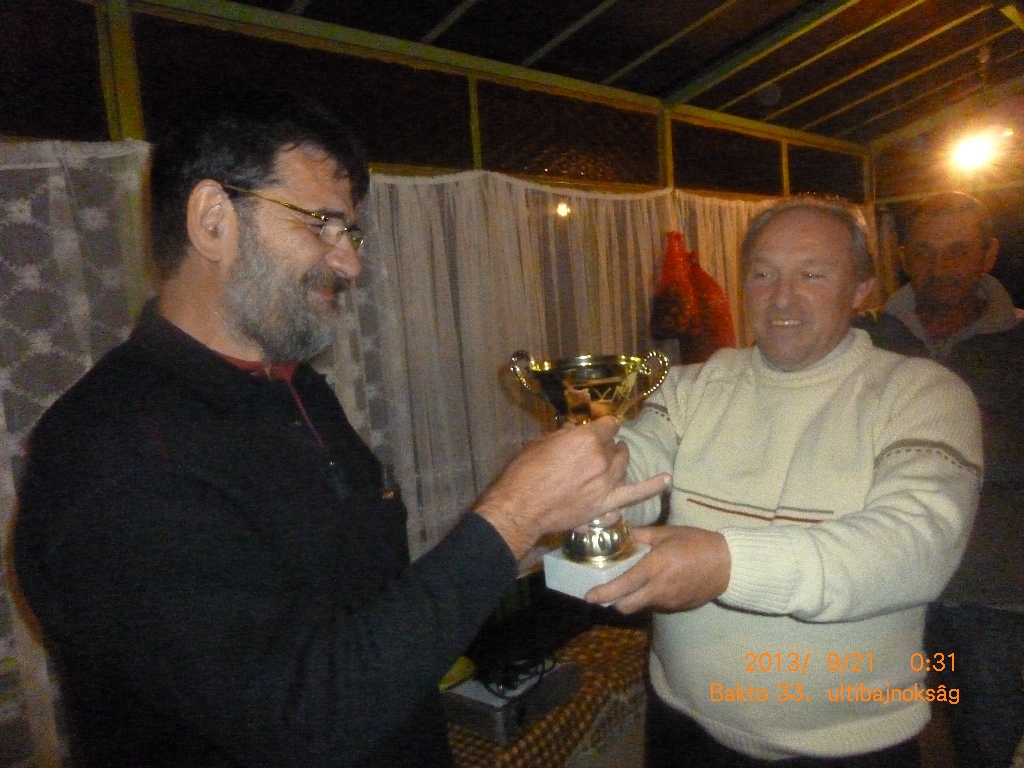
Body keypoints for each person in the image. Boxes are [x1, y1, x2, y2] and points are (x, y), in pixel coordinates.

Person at [10, 91, 669, 768]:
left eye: (348, 233)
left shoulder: (294, 389)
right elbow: (302, 719)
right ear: (212, 220)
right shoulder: (109, 452)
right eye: (321, 224)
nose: (350, 263)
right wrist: (516, 514)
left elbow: (361, 608)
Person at [585, 195, 983, 767]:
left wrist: (728, 565)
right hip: (681, 722)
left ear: (861, 288)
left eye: (812, 275)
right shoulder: (694, 383)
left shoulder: (922, 393)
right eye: (763, 274)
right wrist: (596, 482)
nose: (782, 298)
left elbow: (916, 544)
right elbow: (641, 464)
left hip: (846, 746)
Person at [856, 191, 1024, 768]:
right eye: (924, 252)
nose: (941, 267)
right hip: (888, 587)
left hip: (992, 593)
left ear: (988, 254)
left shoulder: (1018, 344)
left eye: (958, 251)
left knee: (986, 738)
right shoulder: (867, 340)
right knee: (887, 736)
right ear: (903, 257)